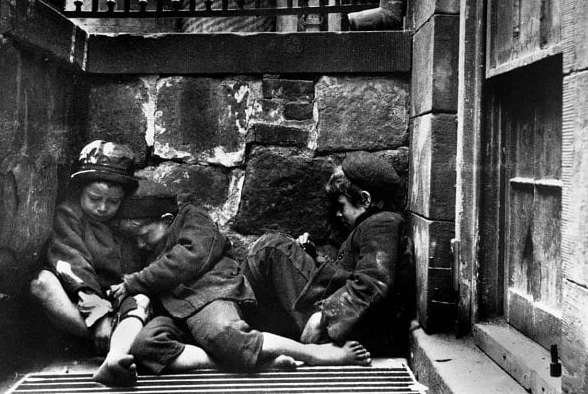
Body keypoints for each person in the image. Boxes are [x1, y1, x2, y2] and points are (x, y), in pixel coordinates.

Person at [105, 201, 372, 383]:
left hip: (206, 293)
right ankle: (256, 361)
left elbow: (191, 257)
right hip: (173, 310)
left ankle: (314, 354)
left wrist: (134, 283)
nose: (139, 244)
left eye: (143, 234)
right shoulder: (140, 248)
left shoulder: (191, 217)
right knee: (145, 347)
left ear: (166, 220)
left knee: (225, 336)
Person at [241, 151, 415, 358]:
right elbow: (351, 273)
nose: (338, 214)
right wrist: (314, 256)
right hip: (351, 320)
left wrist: (325, 316)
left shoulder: (383, 223)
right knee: (275, 249)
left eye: (342, 205)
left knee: (271, 249)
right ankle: (239, 330)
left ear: (366, 199)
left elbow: (374, 283)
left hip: (354, 327)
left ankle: (235, 333)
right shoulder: (375, 225)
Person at [29, 140, 148, 359]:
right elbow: (73, 263)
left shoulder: (125, 222)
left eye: (113, 201)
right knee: (42, 282)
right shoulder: (70, 215)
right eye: (94, 198)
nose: (103, 208)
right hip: (81, 298)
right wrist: (97, 313)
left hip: (118, 300)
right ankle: (107, 339)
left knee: (142, 300)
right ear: (80, 190)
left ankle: (120, 340)